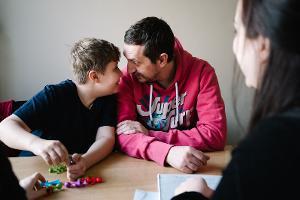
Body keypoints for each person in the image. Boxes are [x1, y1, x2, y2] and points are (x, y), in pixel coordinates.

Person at [172, 0, 300, 199]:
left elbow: (214, 133)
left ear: (263, 44)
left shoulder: (268, 147)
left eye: (236, 31)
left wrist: (190, 194)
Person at [0, 38, 122, 181]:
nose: (121, 74)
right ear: (94, 76)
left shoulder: (107, 98)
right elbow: (5, 128)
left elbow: (105, 138)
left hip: (68, 178)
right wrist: (36, 144)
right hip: (32, 174)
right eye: (115, 68)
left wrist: (85, 161)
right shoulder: (54, 94)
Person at [116, 17, 227, 173]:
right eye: (127, 60)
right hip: (142, 167)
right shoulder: (127, 78)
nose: (130, 68)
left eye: (136, 62)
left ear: (162, 60)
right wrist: (166, 153)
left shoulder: (202, 73)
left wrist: (150, 134)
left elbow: (215, 135)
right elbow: (123, 134)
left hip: (192, 164)